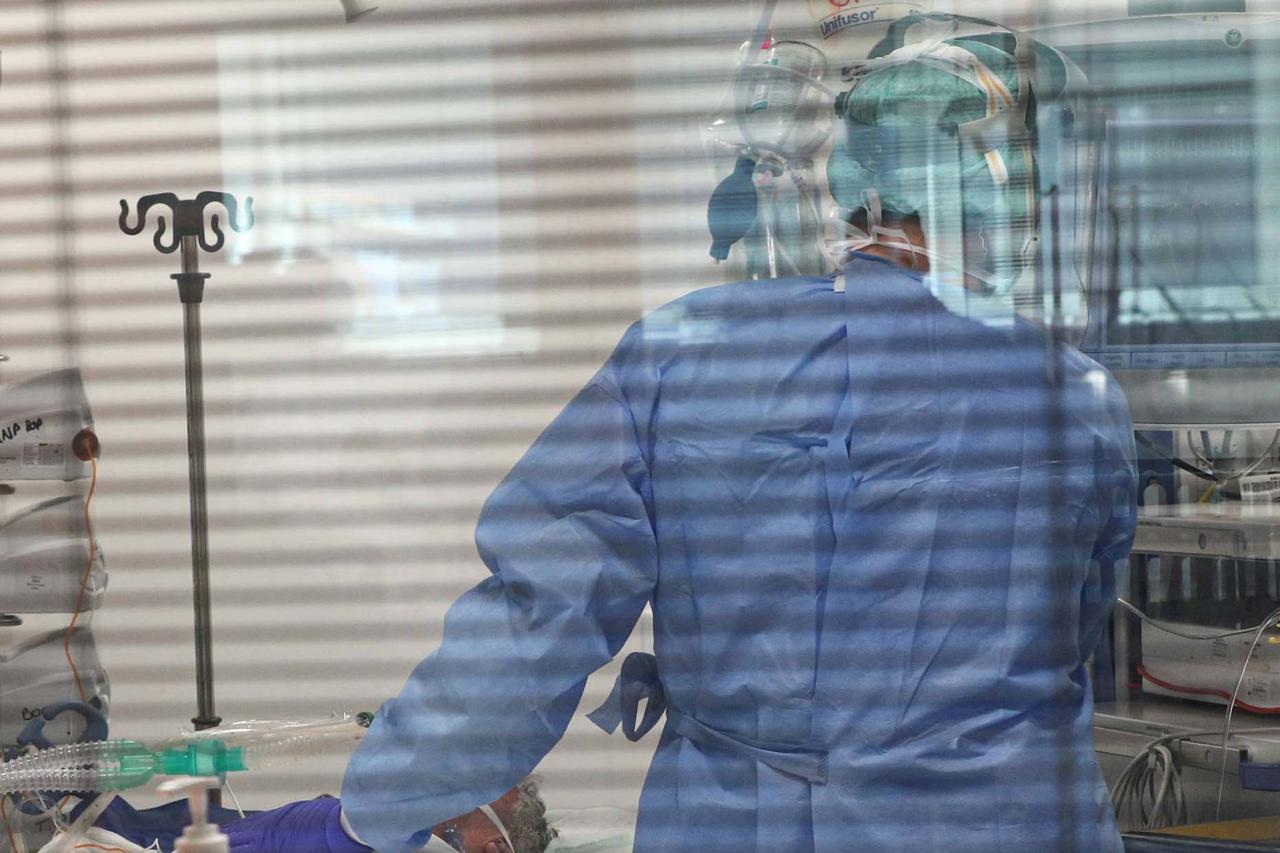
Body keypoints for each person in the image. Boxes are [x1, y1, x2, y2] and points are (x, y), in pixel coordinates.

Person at [278, 14, 1137, 852]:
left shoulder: (683, 357)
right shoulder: (1072, 397)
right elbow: (1073, 627)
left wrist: (372, 811)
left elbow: (535, 623)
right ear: (998, 188)